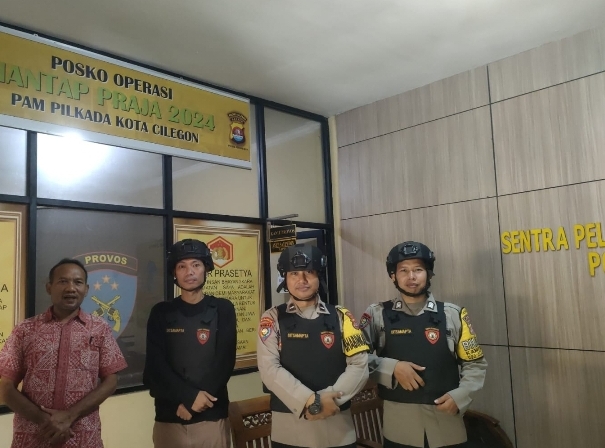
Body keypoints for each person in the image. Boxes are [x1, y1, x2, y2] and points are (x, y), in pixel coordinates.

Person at [360, 241, 487, 448]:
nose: (411, 276)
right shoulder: (377, 314)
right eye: (403, 270)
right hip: (399, 428)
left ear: (428, 273)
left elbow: (475, 364)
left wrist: (461, 395)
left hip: (447, 426)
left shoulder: (453, 314)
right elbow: (357, 359)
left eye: (418, 270)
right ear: (393, 276)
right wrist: (392, 368)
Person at [0, 258, 127, 448]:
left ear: (86, 289)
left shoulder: (100, 329)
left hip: (83, 438)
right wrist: (46, 421)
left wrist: (70, 415)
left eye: (78, 282)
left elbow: (111, 381)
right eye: (63, 281)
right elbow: (6, 387)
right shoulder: (25, 330)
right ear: (49, 287)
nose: (71, 288)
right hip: (33, 437)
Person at [257, 244, 369, 448]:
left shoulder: (342, 316)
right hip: (290, 430)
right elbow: (269, 369)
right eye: (294, 273)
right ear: (285, 278)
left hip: (338, 425)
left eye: (309, 272)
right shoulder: (272, 318)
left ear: (319, 276)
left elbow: (360, 365)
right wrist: (311, 401)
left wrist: (329, 401)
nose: (302, 280)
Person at [144, 238, 237, 448]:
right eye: (182, 266)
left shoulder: (223, 309)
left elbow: (224, 363)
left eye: (196, 265)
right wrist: (188, 398)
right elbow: (155, 368)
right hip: (170, 417)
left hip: (211, 417)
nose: (189, 272)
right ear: (174, 273)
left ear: (206, 268)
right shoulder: (160, 313)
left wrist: (193, 404)